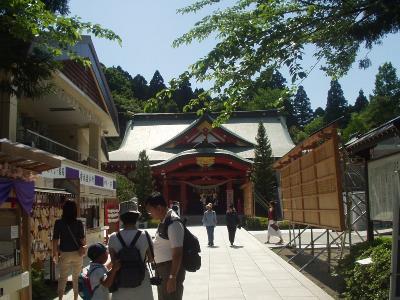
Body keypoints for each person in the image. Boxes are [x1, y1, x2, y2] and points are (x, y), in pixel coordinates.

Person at [108, 199, 154, 300]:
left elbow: (113, 262)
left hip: (121, 282)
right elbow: (151, 259)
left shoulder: (113, 237)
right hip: (142, 281)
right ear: (137, 217)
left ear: (121, 217)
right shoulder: (145, 235)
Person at [145, 192, 185, 300]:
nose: (150, 214)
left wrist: (172, 277)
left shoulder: (173, 223)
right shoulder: (165, 220)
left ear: (159, 207)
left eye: (150, 211)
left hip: (169, 269)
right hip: (163, 269)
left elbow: (177, 253)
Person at [52, 200, 86, 300]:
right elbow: (82, 241)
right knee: (76, 277)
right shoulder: (79, 223)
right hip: (77, 254)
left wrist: (54, 253)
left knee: (63, 277)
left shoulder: (58, 223)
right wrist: (83, 243)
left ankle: (60, 298)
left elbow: (55, 239)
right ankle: (75, 298)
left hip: (64, 254)